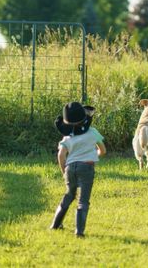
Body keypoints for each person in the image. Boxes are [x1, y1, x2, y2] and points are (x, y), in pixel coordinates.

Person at [49, 102, 106, 237]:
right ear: (85, 119)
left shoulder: (67, 137)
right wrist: (94, 156)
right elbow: (102, 151)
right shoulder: (93, 132)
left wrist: (64, 172)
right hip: (87, 167)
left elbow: (61, 155)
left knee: (69, 196)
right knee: (83, 200)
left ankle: (55, 225)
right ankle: (79, 232)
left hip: (70, 168)